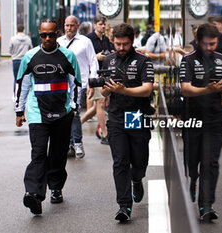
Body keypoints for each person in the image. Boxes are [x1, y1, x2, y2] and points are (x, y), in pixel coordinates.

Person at [15, 18, 81, 215]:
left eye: (51, 34)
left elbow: (76, 83)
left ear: (57, 33)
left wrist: (73, 107)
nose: (47, 38)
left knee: (58, 154)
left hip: (62, 114)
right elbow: (22, 85)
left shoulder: (68, 56)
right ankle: (34, 194)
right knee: (38, 153)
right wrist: (19, 111)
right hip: (37, 114)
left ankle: (56, 188)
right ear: (39, 34)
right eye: (43, 35)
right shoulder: (30, 57)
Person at [100, 23, 154, 222]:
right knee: (120, 161)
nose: (121, 48)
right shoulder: (108, 60)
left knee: (139, 160)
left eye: (125, 44)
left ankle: (137, 178)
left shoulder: (143, 61)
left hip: (137, 115)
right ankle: (124, 206)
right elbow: (103, 90)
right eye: (117, 44)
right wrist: (106, 90)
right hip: (116, 117)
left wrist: (125, 90)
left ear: (132, 42)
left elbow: (147, 89)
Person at [180, 23, 222, 222]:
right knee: (192, 163)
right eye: (206, 44)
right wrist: (206, 89)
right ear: (197, 42)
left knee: (210, 163)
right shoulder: (187, 61)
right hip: (192, 118)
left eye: (214, 43)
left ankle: (206, 205)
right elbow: (185, 89)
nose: (210, 47)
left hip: (215, 119)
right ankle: (192, 179)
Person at [57, 16, 99, 158]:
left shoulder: (85, 42)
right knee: (65, 114)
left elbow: (93, 63)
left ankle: (77, 142)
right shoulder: (58, 42)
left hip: (79, 83)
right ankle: (69, 143)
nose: (69, 28)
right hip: (62, 84)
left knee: (74, 112)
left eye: (72, 25)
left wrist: (92, 83)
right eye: (67, 25)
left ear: (77, 26)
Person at [86, 15, 113, 144]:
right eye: (100, 24)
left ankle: (75, 125)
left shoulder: (106, 40)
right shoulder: (88, 39)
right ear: (95, 25)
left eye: (104, 24)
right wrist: (96, 57)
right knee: (101, 103)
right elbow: (85, 58)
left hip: (104, 75)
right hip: (94, 75)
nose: (103, 26)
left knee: (97, 106)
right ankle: (105, 135)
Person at [9, 24, 32, 98]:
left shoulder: (13, 39)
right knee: (25, 79)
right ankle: (23, 96)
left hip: (16, 60)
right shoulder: (28, 39)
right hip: (25, 61)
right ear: (23, 30)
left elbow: (10, 50)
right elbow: (30, 49)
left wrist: (14, 54)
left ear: (17, 30)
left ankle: (15, 95)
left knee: (16, 78)